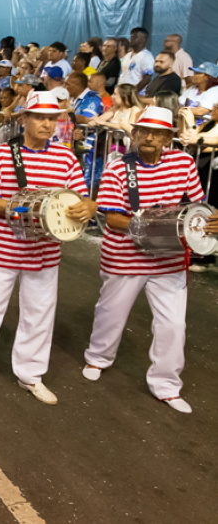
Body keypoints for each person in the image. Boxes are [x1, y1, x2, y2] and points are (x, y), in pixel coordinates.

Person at [0, 91, 97, 404]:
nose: (45, 124)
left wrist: (88, 207)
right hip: (2, 249)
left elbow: (80, 198)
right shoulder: (1, 154)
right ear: (24, 119)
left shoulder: (66, 157)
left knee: (39, 314)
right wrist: (32, 209)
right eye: (39, 117)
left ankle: (30, 375)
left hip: (45, 252)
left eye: (51, 118)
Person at [83, 107, 203, 414]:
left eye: (157, 133)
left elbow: (196, 207)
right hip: (125, 256)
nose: (149, 137)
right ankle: (98, 357)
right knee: (111, 313)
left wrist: (208, 222)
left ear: (167, 138)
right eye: (143, 131)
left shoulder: (184, 163)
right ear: (134, 135)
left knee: (174, 325)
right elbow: (112, 219)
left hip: (169, 259)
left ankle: (166, 385)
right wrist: (159, 227)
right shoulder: (117, 169)